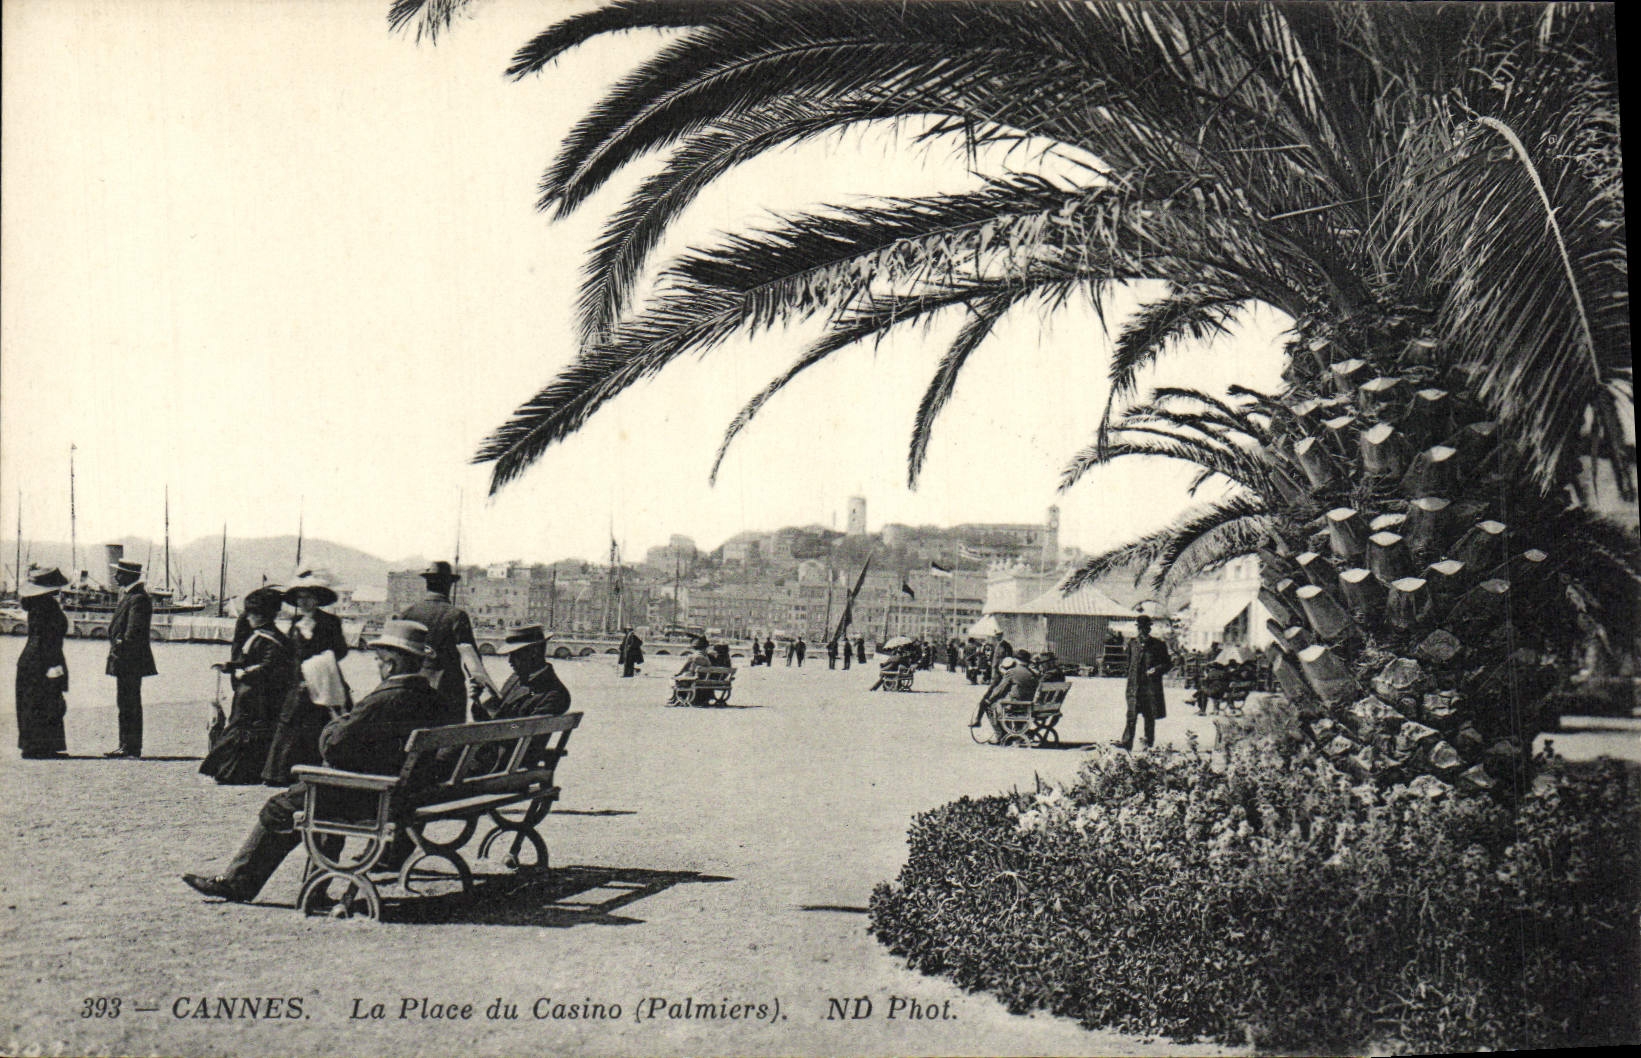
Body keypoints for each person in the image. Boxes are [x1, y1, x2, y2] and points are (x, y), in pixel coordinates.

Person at [182, 619, 445, 905]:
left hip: (372, 796)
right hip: (401, 793)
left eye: (379, 660)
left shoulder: (386, 698)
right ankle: (315, 888)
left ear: (392, 664)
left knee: (281, 807)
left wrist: (337, 717)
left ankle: (238, 883)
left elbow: (333, 746)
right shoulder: (431, 698)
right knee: (318, 798)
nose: (377, 666)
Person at [262, 571, 352, 785]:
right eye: (301, 598)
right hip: (298, 680)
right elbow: (290, 652)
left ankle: (321, 768)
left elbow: (340, 650)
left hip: (323, 680)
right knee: (291, 722)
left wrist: (318, 664)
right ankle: (281, 773)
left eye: (309, 597)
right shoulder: (295, 622)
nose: (304, 602)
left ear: (317, 600)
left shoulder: (330, 622)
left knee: (324, 721)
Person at [201, 587, 293, 785]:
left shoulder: (271, 639)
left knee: (247, 732)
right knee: (239, 729)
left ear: (261, 616)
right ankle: (229, 770)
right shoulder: (260, 635)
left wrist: (246, 672)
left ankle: (236, 772)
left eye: (251, 614)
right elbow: (247, 660)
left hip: (259, 695)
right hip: (249, 693)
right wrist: (229, 666)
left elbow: (269, 666)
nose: (247, 618)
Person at [398, 560, 497, 726]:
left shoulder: (408, 613)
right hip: (447, 693)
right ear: (449, 585)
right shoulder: (456, 616)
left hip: (411, 692)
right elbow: (472, 661)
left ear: (427, 583)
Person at [16, 566, 71, 759]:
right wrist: (53, 665)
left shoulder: (35, 605)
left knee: (35, 701)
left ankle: (34, 745)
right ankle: (41, 747)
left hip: (31, 658)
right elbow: (47, 639)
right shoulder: (47, 606)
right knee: (46, 700)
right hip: (43, 658)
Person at [104, 558, 156, 758]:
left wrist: (119, 646)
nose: (116, 577)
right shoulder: (131, 596)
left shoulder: (138, 598)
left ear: (129, 575)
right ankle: (125, 744)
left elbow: (133, 633)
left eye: (119, 573)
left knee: (129, 702)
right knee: (125, 702)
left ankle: (131, 746)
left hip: (130, 660)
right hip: (126, 659)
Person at [472, 624, 571, 721]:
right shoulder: (516, 677)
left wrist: (492, 710)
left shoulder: (554, 695)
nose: (510, 661)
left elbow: (516, 732)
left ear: (534, 652)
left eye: (515, 655)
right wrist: (480, 701)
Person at [1115, 616, 1172, 750]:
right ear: (1138, 628)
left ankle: (1148, 743)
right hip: (1134, 687)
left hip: (1150, 687)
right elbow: (1128, 663)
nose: (1142, 630)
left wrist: (1156, 669)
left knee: (1149, 717)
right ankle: (1126, 742)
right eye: (1140, 628)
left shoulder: (1158, 645)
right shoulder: (1132, 644)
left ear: (1149, 628)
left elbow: (1167, 664)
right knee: (1131, 715)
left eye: (1145, 628)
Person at [970, 655, 1040, 733]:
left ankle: (999, 734)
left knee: (990, 706)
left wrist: (990, 699)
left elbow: (999, 690)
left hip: (1014, 705)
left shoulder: (1012, 672)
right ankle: (1014, 731)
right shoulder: (1031, 673)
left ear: (1016, 660)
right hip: (1028, 706)